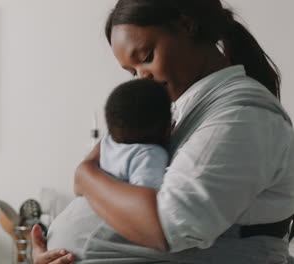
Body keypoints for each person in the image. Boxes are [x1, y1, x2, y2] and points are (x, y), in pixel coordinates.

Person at [31, 0, 294, 263]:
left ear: (186, 25)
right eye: (132, 72)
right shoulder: (176, 109)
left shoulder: (241, 115)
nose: (142, 77)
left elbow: (171, 226)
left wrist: (84, 175)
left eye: (146, 58)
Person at [47, 79, 172, 260]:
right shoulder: (151, 155)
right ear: (168, 127)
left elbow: (81, 180)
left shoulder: (108, 142)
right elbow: (144, 206)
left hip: (68, 246)